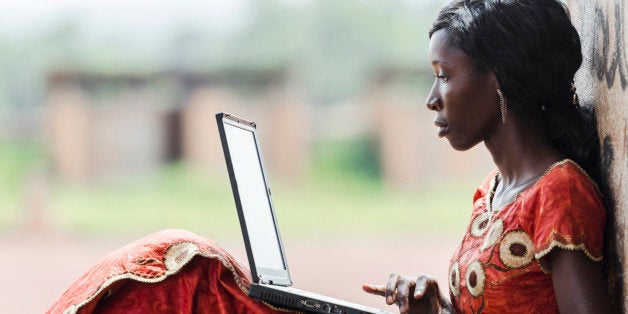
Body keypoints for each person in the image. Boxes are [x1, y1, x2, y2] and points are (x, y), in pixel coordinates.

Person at [362, 0, 614, 313]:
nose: (432, 100)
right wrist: (438, 309)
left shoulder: (558, 193)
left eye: (444, 76)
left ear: (500, 77)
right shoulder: (490, 192)